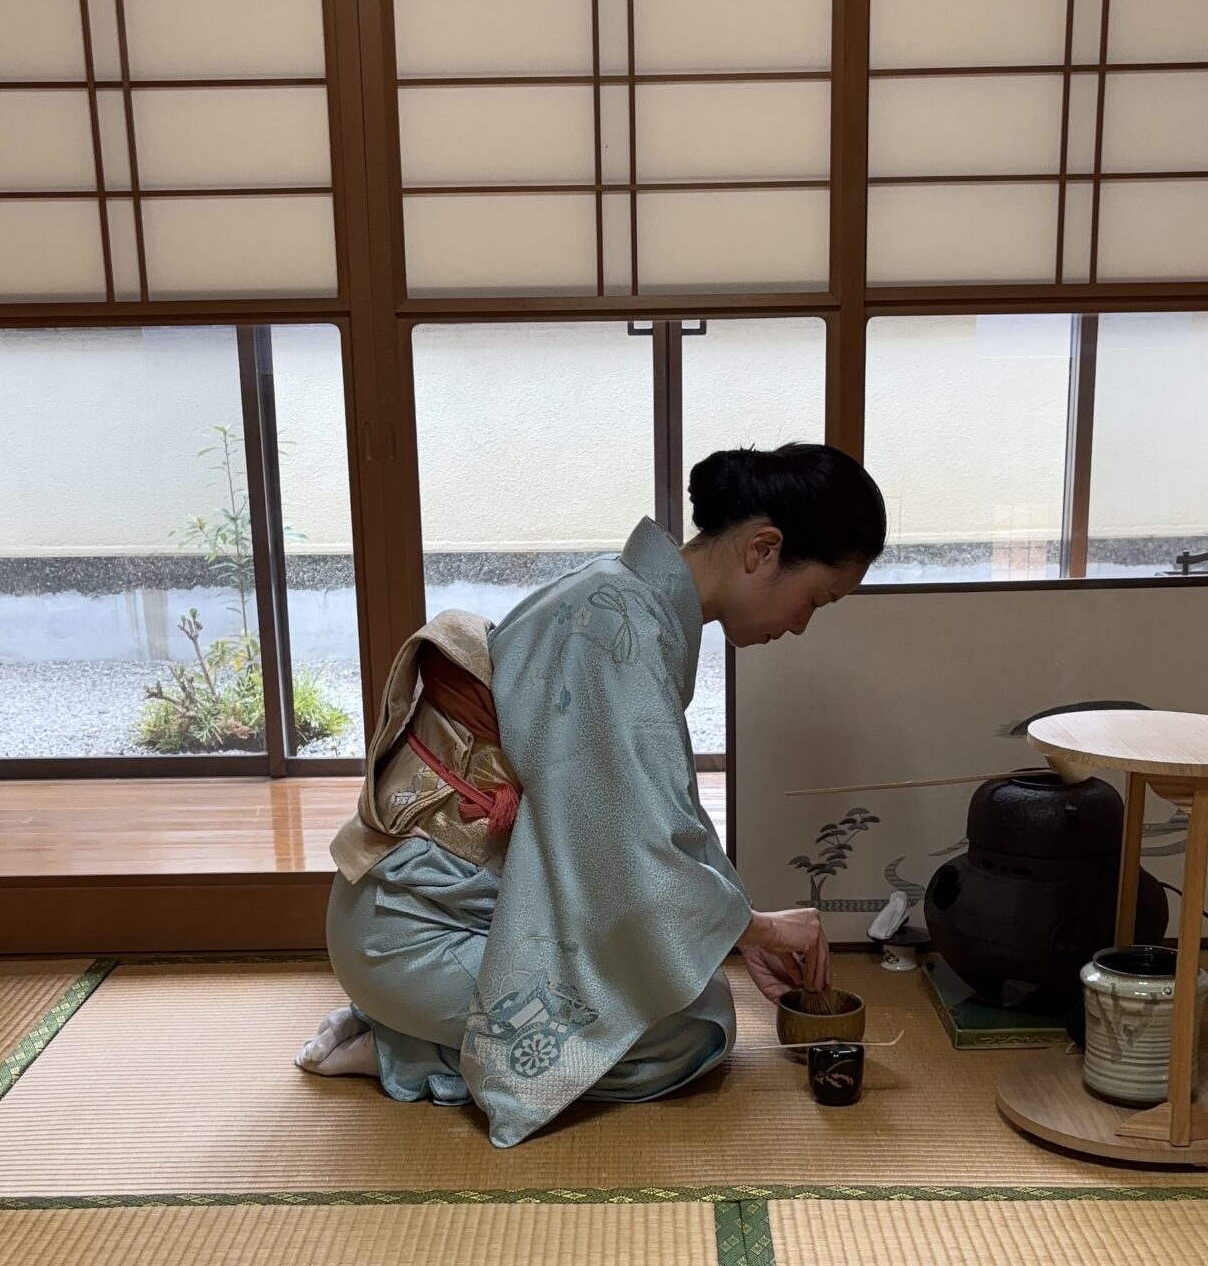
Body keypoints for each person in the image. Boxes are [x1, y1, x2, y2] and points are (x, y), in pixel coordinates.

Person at [299, 441, 887, 1148]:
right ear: (763, 549)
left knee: (691, 987)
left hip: (441, 902)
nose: (800, 624)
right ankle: (399, 1047)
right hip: (413, 930)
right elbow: (622, 849)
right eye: (817, 599)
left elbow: (654, 817)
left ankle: (410, 1019)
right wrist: (752, 928)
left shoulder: (624, 600)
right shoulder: (620, 630)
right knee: (690, 1033)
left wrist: (736, 926)